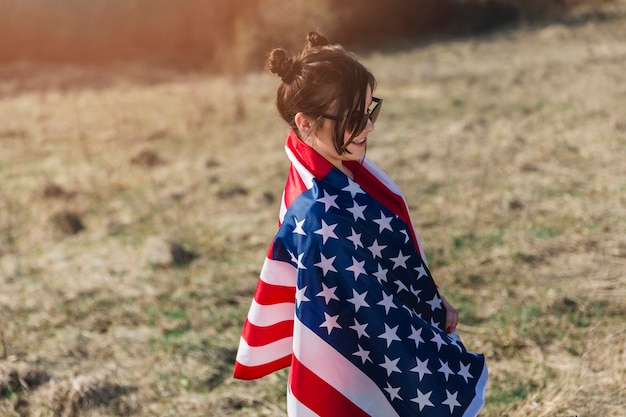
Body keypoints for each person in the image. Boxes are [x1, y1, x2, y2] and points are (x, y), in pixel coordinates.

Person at [234, 31, 487, 417]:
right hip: (366, 367)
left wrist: (433, 304)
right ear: (305, 124)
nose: (369, 127)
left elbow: (381, 270)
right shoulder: (321, 214)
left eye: (371, 111)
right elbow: (369, 309)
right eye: (355, 118)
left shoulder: (334, 173)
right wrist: (431, 316)